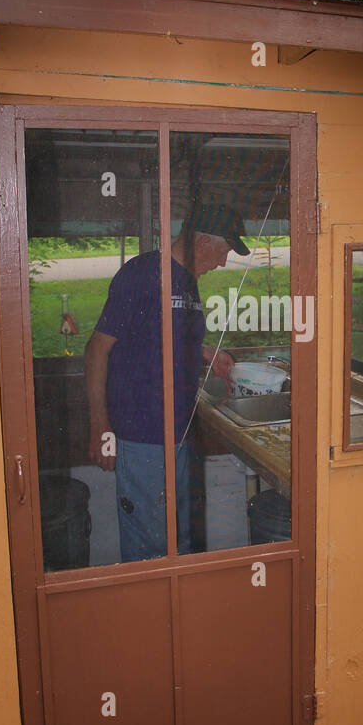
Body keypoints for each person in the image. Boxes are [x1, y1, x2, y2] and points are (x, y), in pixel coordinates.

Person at [85, 203, 250, 562]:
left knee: (180, 541)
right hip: (141, 433)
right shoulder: (143, 273)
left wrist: (207, 352)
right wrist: (100, 426)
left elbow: (163, 337)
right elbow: (97, 348)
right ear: (202, 241)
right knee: (150, 547)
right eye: (223, 251)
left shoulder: (188, 283)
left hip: (177, 433)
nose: (223, 262)